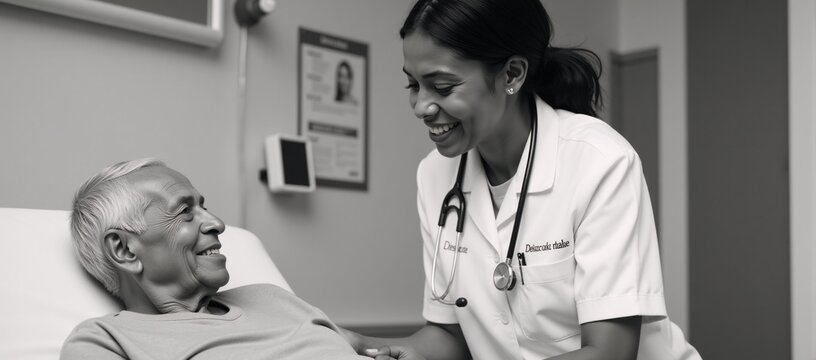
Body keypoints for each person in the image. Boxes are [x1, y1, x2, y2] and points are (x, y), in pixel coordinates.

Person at [344, 0, 703, 359]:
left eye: (442, 86)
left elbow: (609, 353)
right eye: (413, 85)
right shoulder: (435, 175)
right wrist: (373, 347)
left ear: (512, 74)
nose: (422, 106)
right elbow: (450, 334)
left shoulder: (599, 160)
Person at [61, 159, 416, 360]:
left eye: (204, 205)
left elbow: (375, 347)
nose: (216, 222)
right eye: (185, 212)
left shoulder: (270, 298)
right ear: (124, 250)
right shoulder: (105, 342)